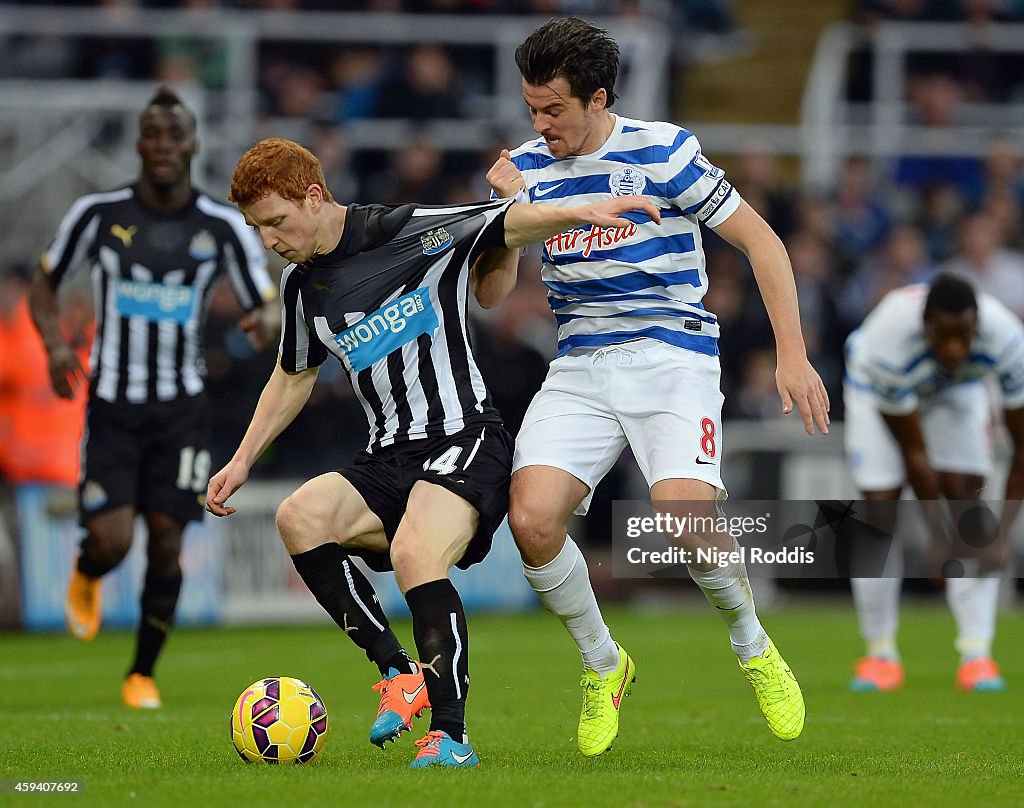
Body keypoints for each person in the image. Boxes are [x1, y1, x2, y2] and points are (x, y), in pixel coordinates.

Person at [206, 137, 661, 769]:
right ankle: (401, 674)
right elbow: (293, 375)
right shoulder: (301, 286)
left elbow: (507, 219)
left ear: (314, 197)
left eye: (276, 223)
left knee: (415, 551)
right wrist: (241, 460)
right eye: (258, 230)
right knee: (299, 516)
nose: (270, 240)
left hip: (465, 438)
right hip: (386, 456)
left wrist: (582, 209)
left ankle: (451, 738)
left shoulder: (408, 230)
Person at [483, 17, 830, 757]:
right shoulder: (523, 168)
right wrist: (505, 219)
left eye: (554, 111)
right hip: (580, 365)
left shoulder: (663, 150)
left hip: (671, 356)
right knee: (533, 521)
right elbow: (491, 295)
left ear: (598, 97)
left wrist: (792, 355)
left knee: (680, 518)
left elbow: (762, 240)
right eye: (531, 109)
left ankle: (752, 643)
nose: (540, 126)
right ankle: (604, 664)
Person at [29, 86, 277, 710]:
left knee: (167, 539)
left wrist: (265, 321)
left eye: (176, 136)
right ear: (139, 144)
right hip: (113, 404)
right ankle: (88, 571)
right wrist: (57, 347)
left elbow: (265, 300)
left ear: (192, 145)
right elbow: (46, 281)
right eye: (153, 135)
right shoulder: (97, 212)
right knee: (113, 540)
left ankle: (141, 672)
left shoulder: (219, 225)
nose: (164, 146)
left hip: (182, 410)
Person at [844, 273, 1024, 692]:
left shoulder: (1010, 343)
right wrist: (936, 538)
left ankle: (977, 653)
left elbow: (1023, 448)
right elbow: (915, 454)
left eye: (963, 336)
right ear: (925, 326)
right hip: (875, 391)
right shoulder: (888, 344)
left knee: (969, 503)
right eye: (943, 336)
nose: (954, 347)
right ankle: (880, 653)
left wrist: (1003, 535)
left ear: (978, 327)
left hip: (956, 391)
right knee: (881, 508)